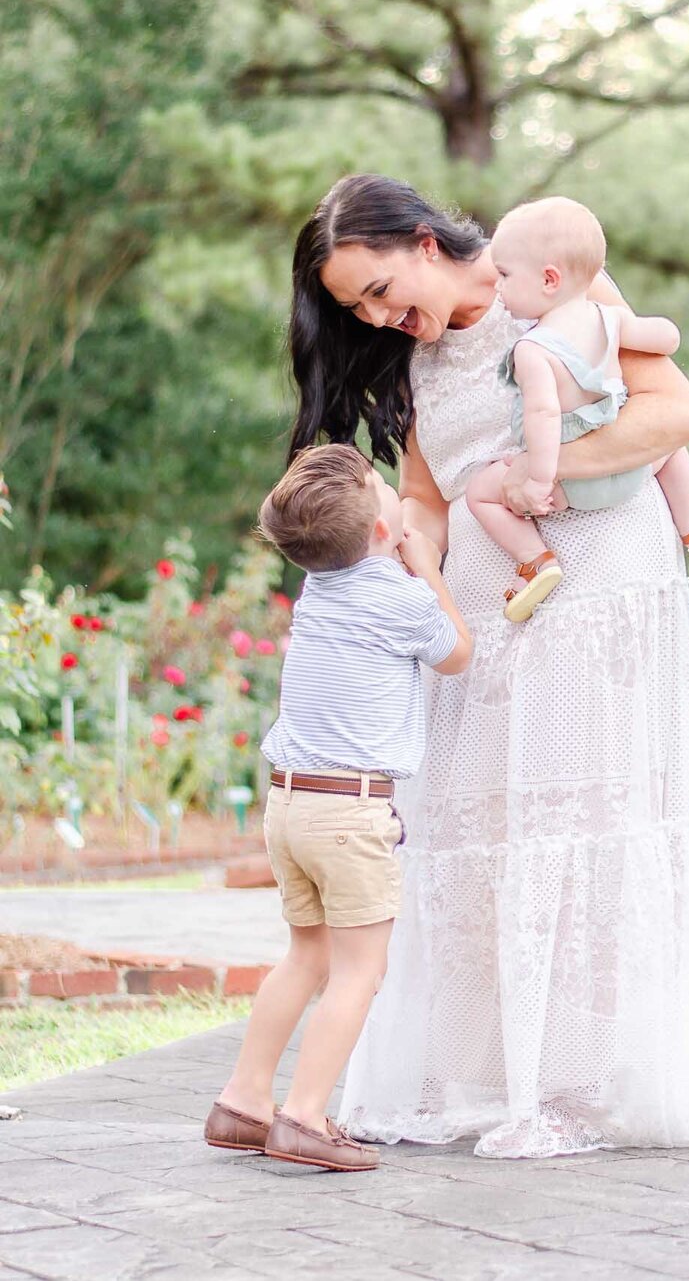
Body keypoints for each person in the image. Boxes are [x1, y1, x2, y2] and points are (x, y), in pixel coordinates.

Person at [290, 172, 689, 1159]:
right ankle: (494, 1079)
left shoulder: (556, 293)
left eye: (378, 286)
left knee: (581, 820)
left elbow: (674, 416)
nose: (377, 314)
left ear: (421, 238)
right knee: (481, 828)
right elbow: (429, 493)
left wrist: (531, 474)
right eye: (357, 306)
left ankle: (576, 1088)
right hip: (486, 617)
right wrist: (421, 582)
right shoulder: (409, 364)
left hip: (600, 592)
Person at [203, 443, 471, 1172]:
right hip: (351, 815)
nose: (390, 492)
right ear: (384, 534)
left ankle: (244, 1097)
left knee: (305, 955)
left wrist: (397, 556)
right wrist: (432, 573)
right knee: (359, 971)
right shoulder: (400, 595)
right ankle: (303, 1115)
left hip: (289, 802)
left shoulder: (319, 587)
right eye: (384, 488)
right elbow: (457, 652)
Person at [465, 196, 689, 621]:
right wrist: (663, 330)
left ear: (549, 279)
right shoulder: (607, 319)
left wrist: (538, 479)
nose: (498, 288)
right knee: (671, 449)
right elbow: (666, 339)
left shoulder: (533, 349)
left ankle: (537, 561)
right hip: (632, 471)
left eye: (505, 275)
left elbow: (544, 417)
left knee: (481, 493)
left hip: (572, 488)